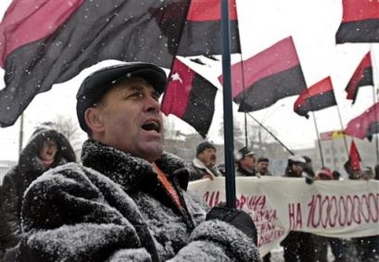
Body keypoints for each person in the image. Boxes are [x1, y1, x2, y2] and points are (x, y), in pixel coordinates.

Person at [13, 62, 260, 261]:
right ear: (96, 120)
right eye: (135, 95)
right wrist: (224, 241)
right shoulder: (64, 189)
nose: (155, 105)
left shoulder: (189, 196)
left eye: (154, 96)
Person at [0, 123, 76, 260]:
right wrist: (25, 247)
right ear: (36, 146)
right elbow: (8, 218)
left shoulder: (67, 175)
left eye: (55, 144)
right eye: (47, 143)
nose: (51, 147)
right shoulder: (15, 176)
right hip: (22, 251)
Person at [280, 155, 316, 262]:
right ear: (291, 166)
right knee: (291, 253)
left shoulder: (304, 178)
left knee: (308, 252)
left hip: (304, 223)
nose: (300, 168)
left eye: (301, 166)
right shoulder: (283, 180)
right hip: (290, 224)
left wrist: (309, 179)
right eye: (297, 166)